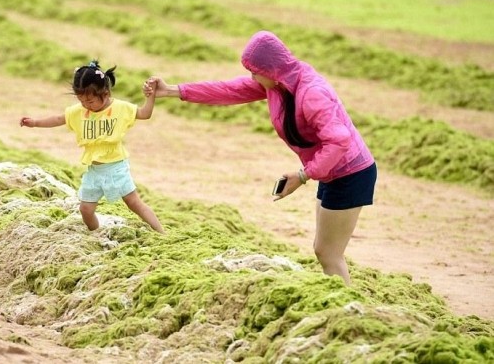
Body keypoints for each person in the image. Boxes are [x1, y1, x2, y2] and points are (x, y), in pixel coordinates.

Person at [145, 31, 376, 284]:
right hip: (330, 171)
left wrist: (303, 175)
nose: (252, 76)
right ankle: (341, 303)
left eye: (255, 71)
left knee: (328, 253)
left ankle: (346, 311)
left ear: (272, 69)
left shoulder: (311, 93)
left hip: (350, 173)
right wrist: (173, 91)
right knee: (325, 251)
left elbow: (339, 140)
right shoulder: (279, 84)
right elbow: (229, 90)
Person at [20, 60, 165, 234]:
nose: (86, 105)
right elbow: (59, 119)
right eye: (82, 101)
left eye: (90, 101)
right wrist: (35, 123)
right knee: (85, 210)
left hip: (116, 166)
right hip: (94, 171)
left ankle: (161, 233)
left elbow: (144, 113)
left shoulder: (120, 108)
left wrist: (151, 96)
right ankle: (96, 234)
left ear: (105, 92)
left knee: (133, 203)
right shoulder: (80, 111)